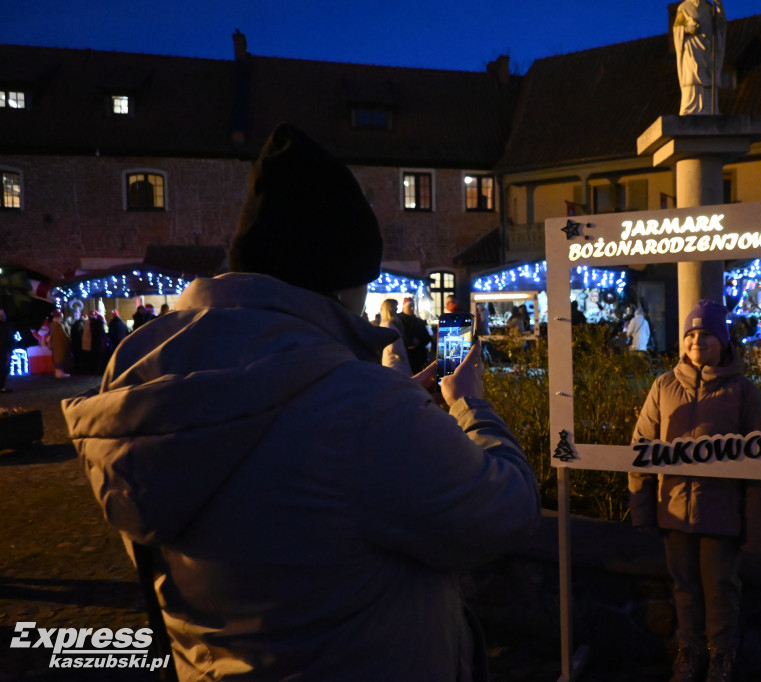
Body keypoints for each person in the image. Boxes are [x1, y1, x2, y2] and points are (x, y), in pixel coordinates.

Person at [61, 123, 541, 682]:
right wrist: (469, 409)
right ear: (340, 282)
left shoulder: (144, 382)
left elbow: (289, 460)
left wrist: (390, 413)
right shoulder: (359, 410)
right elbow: (507, 512)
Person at [629, 300, 761, 682]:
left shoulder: (743, 392)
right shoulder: (663, 386)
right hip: (674, 511)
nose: (697, 340)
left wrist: (757, 528)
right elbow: (641, 447)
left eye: (706, 333)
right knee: (684, 587)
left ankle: (721, 656)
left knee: (721, 588)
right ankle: (688, 651)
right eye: (690, 334)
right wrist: (642, 507)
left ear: (722, 340)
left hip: (721, 515)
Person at [673, 0, 726, 115]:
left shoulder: (709, 8)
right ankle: (690, 108)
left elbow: (720, 26)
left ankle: (710, 109)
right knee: (691, 79)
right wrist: (687, 30)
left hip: (707, 51)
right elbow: (677, 31)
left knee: (708, 79)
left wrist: (720, 7)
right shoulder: (683, 8)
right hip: (691, 49)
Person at [399, 298, 433, 374]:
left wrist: (419, 341)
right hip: (405, 356)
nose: (412, 308)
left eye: (413, 306)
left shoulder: (419, 321)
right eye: (410, 306)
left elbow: (427, 337)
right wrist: (409, 341)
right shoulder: (398, 320)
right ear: (404, 307)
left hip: (418, 357)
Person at [379, 297, 412, 375]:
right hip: (395, 364)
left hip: (395, 363)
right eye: (395, 306)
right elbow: (392, 347)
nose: (397, 308)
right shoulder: (387, 325)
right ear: (390, 308)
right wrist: (400, 355)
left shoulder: (389, 324)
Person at [49, 310, 72, 378]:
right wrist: (69, 339)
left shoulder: (52, 325)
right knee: (60, 358)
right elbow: (63, 335)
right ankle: (60, 373)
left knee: (57, 358)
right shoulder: (59, 325)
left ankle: (57, 372)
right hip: (61, 345)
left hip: (55, 345)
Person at [0, 309, 12, 392]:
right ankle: (1, 386)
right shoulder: (3, 326)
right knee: (3, 367)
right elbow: (6, 338)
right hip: (3, 350)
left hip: (3, 349)